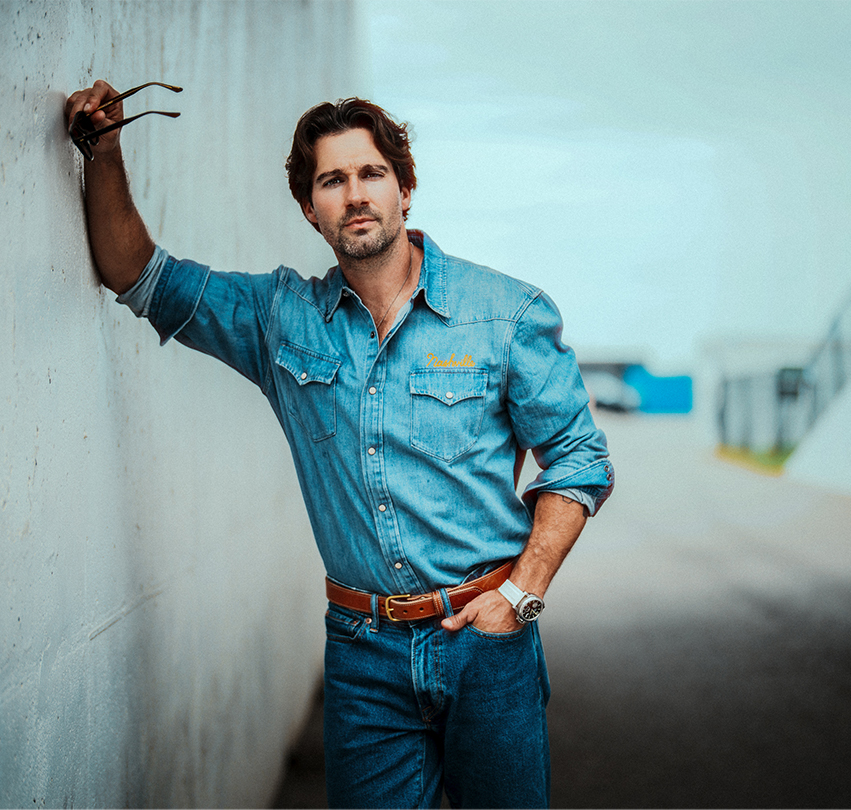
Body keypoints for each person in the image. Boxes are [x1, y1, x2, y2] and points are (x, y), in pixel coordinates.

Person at [64, 80, 613, 809]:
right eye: (332, 181)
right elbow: (138, 274)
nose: (355, 194)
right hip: (363, 656)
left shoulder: (505, 314)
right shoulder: (281, 318)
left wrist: (521, 594)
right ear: (309, 207)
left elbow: (580, 458)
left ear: (405, 189)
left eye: (371, 173)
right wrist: (103, 151)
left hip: (487, 641)